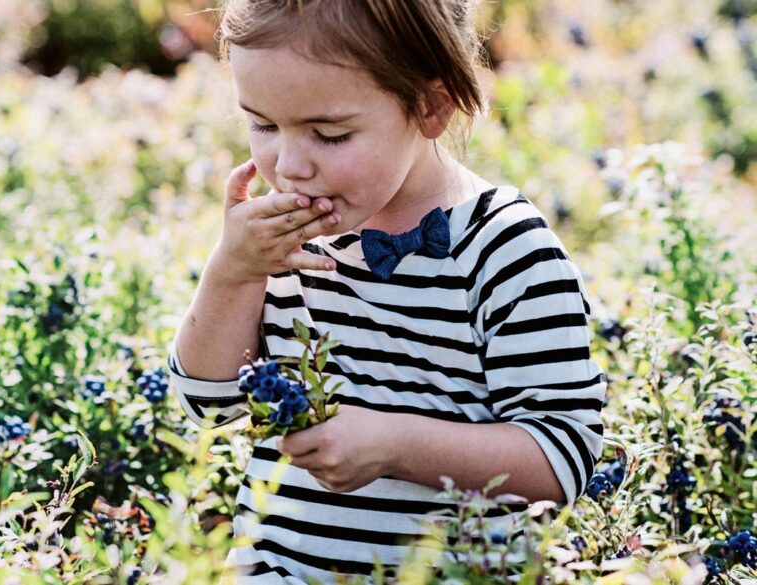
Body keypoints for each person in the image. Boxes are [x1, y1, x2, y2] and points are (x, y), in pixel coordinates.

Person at [167, 0, 607, 582]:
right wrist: (233, 271)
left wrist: (394, 444)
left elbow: (561, 458)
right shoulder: (275, 244)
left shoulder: (503, 250)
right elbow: (210, 402)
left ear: (431, 106)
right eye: (263, 125)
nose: (289, 166)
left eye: (329, 134)